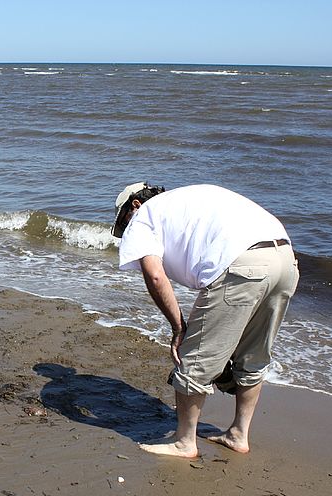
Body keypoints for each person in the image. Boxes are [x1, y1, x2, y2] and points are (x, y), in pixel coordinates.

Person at [112, 182, 299, 458]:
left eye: (123, 221)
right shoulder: (188, 199)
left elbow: (154, 275)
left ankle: (184, 442)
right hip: (285, 258)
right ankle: (238, 434)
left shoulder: (144, 215)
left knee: (194, 356)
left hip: (242, 262)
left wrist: (178, 328)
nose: (127, 229)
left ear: (135, 205)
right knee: (253, 355)